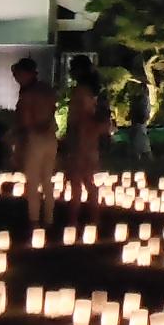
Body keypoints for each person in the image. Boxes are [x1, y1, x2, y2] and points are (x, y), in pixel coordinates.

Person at [9, 57, 60, 230]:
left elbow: (24, 120)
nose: (16, 78)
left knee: (32, 181)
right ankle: (49, 219)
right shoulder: (47, 90)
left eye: (18, 74)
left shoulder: (28, 94)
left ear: (26, 73)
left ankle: (34, 221)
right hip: (50, 137)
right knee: (46, 180)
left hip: (34, 137)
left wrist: (18, 142)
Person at [62, 55, 108, 225]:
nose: (70, 72)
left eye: (72, 68)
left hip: (81, 140)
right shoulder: (93, 91)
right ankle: (93, 219)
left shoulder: (81, 92)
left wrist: (72, 141)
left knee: (77, 183)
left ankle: (73, 221)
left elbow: (80, 117)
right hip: (90, 139)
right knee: (88, 181)